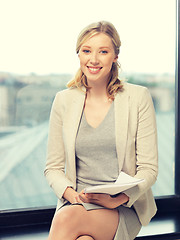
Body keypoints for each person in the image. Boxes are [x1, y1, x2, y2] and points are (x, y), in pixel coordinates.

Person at [44, 21, 158, 240]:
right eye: (87, 51)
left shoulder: (138, 98)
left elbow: (149, 169)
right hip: (76, 202)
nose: (93, 59)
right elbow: (53, 168)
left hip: (122, 206)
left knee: (66, 220)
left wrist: (119, 198)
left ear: (115, 56)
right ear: (78, 55)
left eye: (103, 51)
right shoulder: (63, 101)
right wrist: (72, 196)